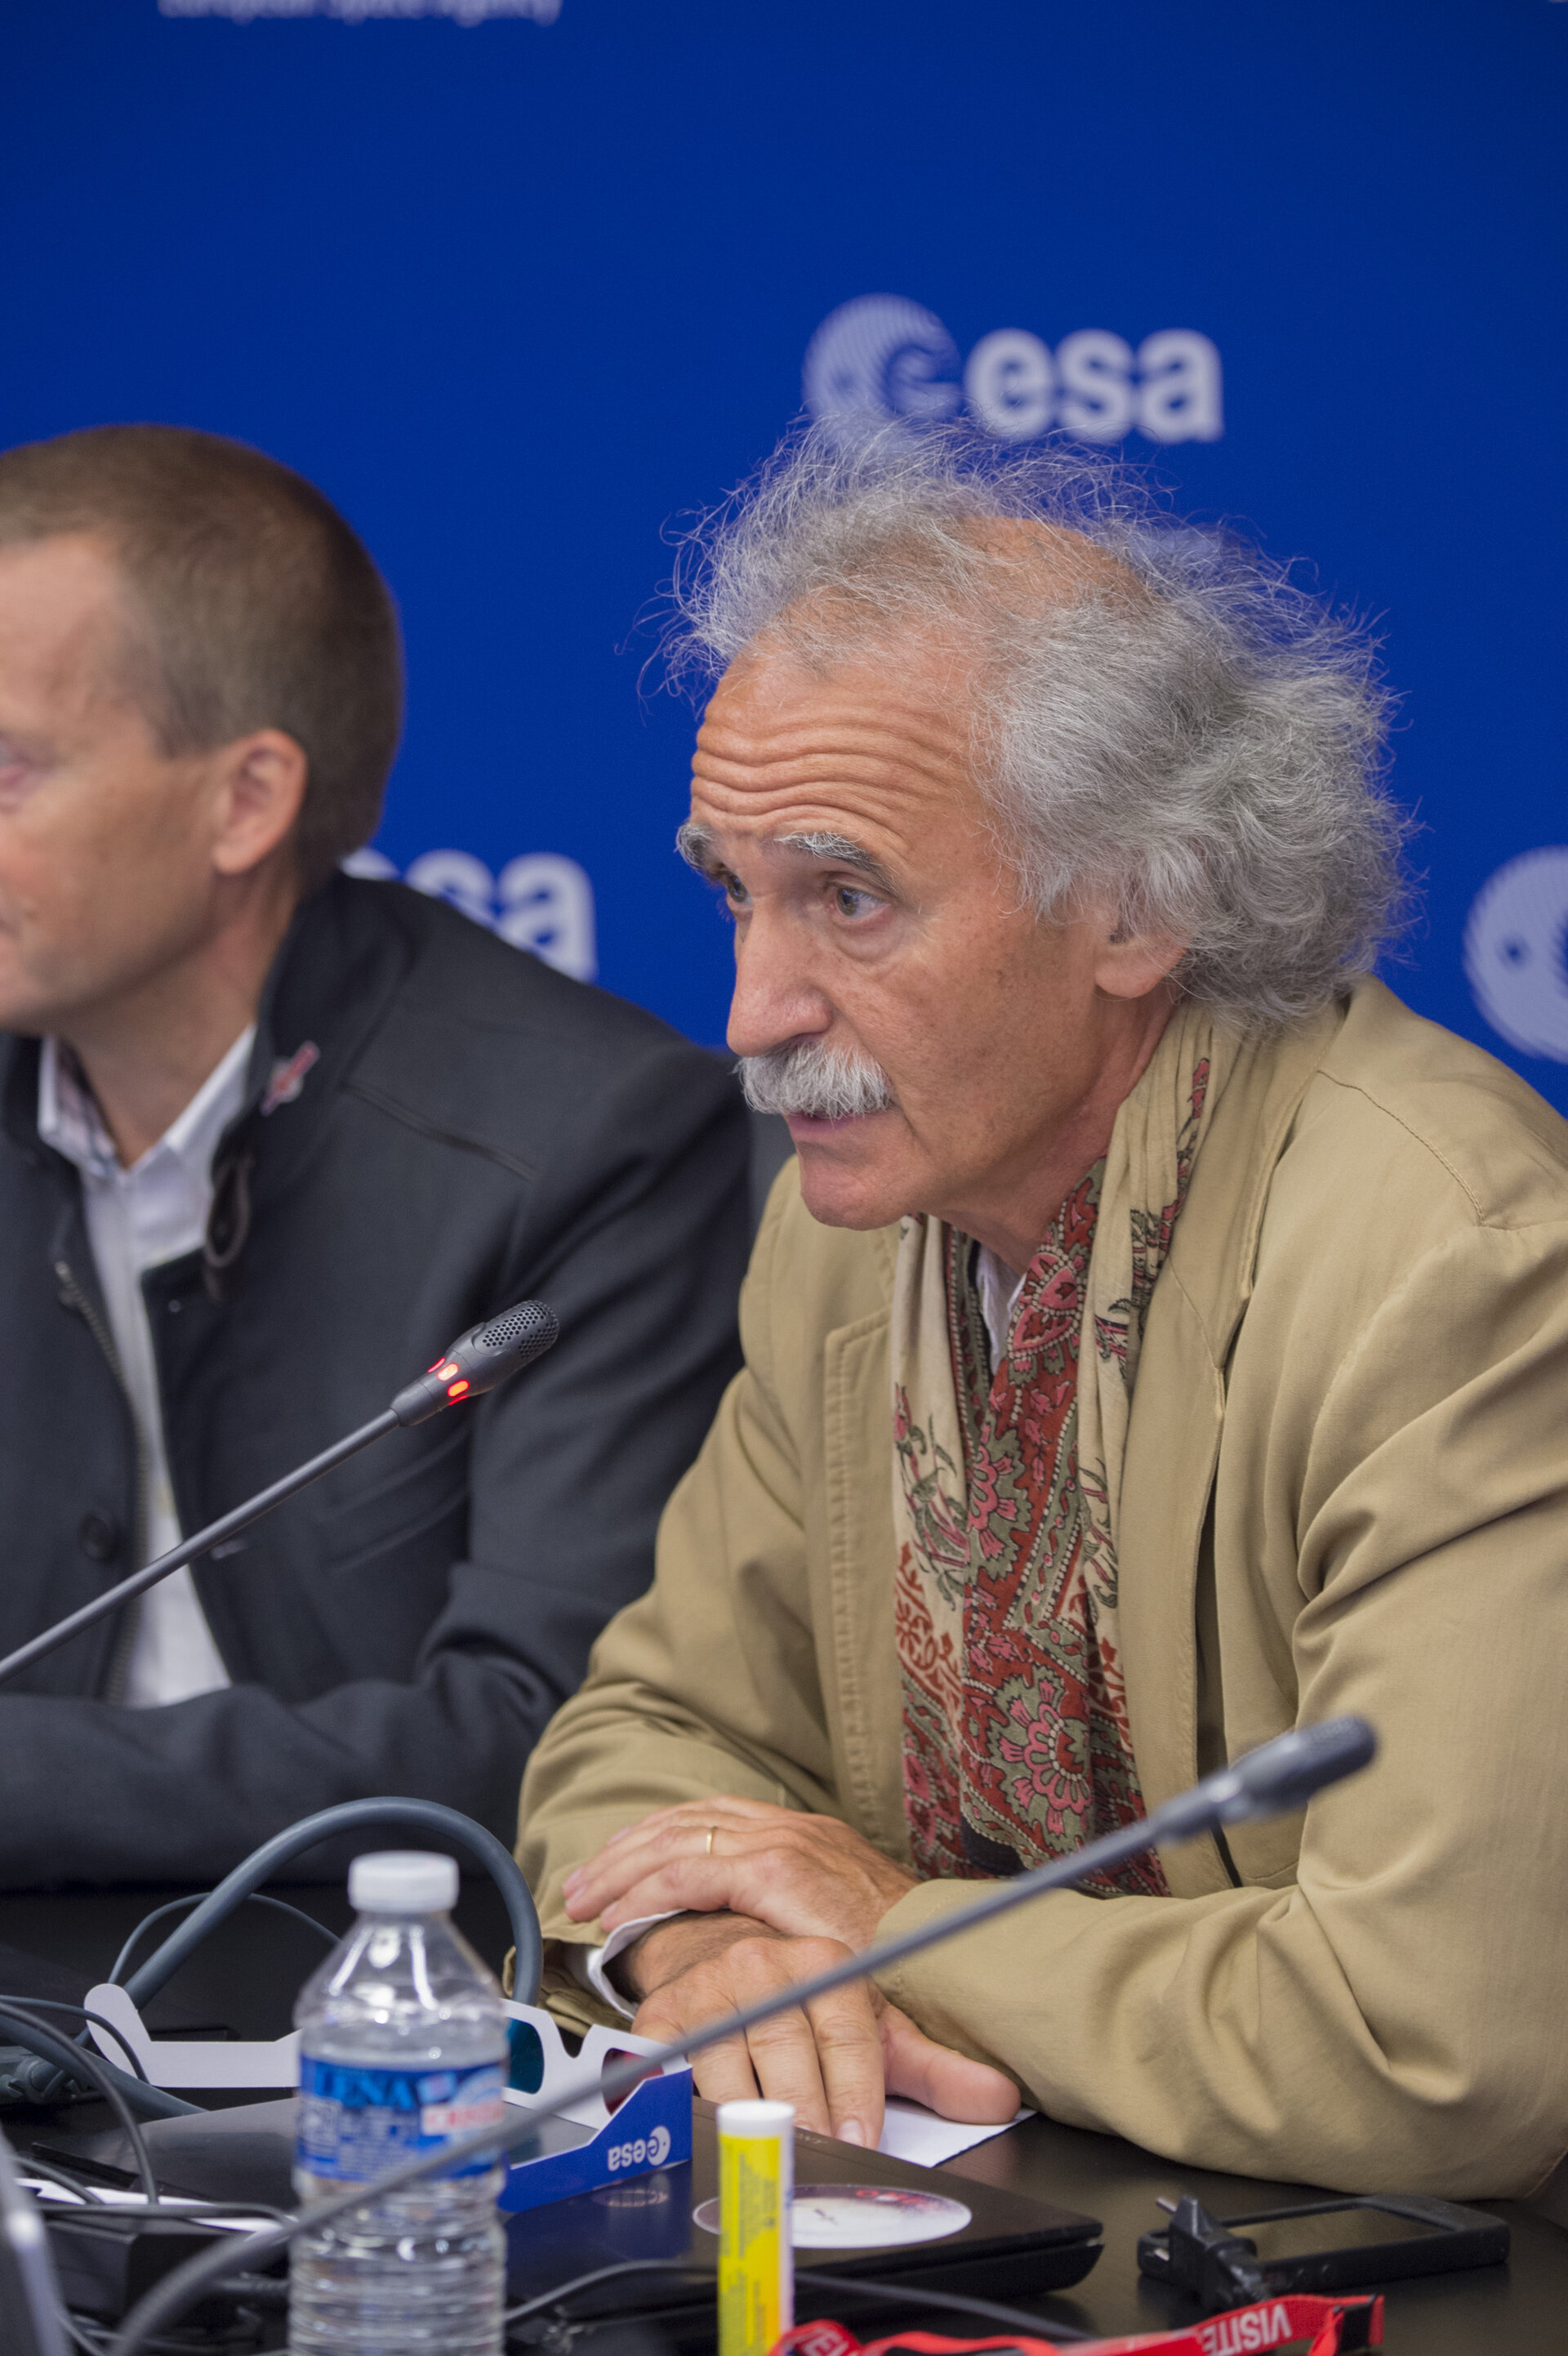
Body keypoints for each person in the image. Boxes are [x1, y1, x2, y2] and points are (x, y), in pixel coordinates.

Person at [518, 423, 1568, 2201]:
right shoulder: (855, 1221)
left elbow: (1436, 2043)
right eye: (736, 892)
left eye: (848, 896)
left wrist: (880, 1930)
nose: (754, 1011)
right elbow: (645, 1736)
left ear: (1140, 907)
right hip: (1033, 2216)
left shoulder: (1450, 1266)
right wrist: (716, 1956)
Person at [0, 423, 749, 1887]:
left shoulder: (586, 1140)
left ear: (245, 801)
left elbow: (542, 1735)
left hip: (394, 2021)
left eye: (11, 768)